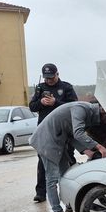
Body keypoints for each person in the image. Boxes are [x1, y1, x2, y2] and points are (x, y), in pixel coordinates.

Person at [28, 102, 106, 212]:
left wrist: (87, 151)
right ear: (103, 111)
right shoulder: (81, 109)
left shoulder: (87, 113)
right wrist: (99, 147)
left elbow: (71, 133)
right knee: (52, 178)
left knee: (66, 174)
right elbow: (78, 133)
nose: (102, 123)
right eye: (105, 119)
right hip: (46, 140)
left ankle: (68, 207)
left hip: (58, 140)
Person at [29, 63, 77, 203]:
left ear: (57, 74)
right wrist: (41, 103)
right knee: (43, 162)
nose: (49, 80)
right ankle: (41, 193)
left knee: (68, 160)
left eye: (51, 77)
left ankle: (72, 191)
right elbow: (32, 106)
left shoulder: (66, 87)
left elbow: (74, 106)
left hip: (63, 130)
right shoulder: (40, 88)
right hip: (44, 131)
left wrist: (55, 102)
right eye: (46, 78)